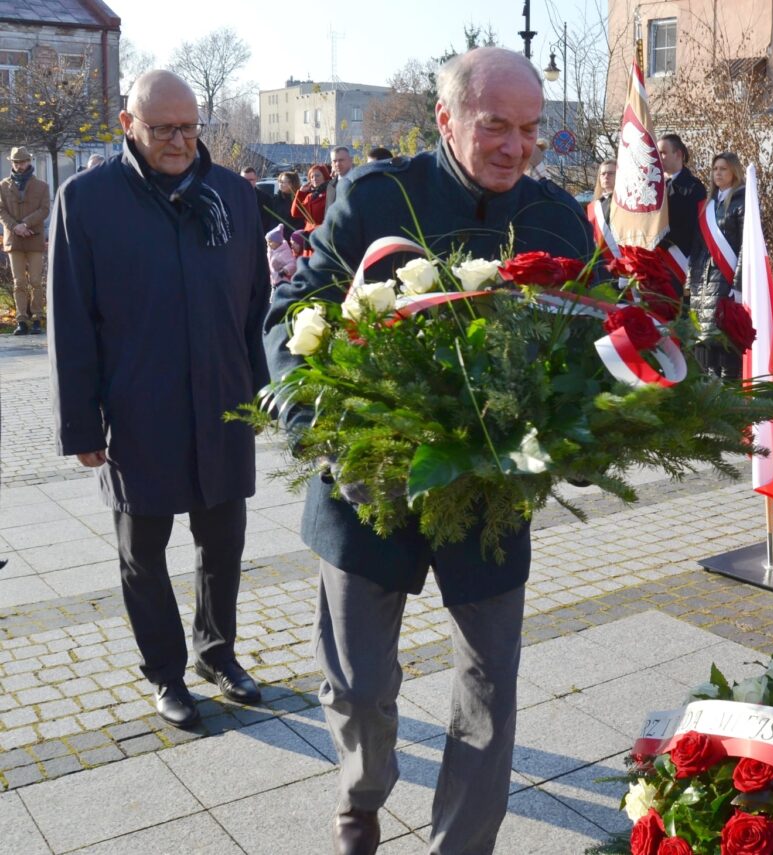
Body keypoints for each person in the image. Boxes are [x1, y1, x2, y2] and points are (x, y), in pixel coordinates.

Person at [265, 47, 592, 855]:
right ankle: (360, 799)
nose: (516, 146)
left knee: (489, 693)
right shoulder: (378, 198)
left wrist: (589, 420)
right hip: (369, 479)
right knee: (360, 687)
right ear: (446, 120)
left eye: (530, 129)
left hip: (486, 488)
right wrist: (322, 429)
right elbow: (292, 309)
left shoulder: (557, 216)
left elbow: (591, 342)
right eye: (495, 126)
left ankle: (461, 845)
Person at [48, 70, 270, 728]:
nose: (179, 141)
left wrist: (261, 394)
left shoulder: (232, 194)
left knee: (223, 539)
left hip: (224, 398)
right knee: (142, 549)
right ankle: (166, 673)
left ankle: (217, 651)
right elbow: (71, 321)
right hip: (138, 408)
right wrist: (80, 421)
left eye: (190, 127)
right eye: (163, 128)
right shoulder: (86, 201)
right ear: (127, 125)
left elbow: (257, 303)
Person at [688, 151, 745, 380]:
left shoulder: (742, 202)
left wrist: (739, 286)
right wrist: (689, 283)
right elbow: (696, 247)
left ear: (734, 172)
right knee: (705, 344)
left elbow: (745, 247)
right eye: (715, 169)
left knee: (725, 346)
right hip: (702, 283)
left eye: (723, 169)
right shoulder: (708, 205)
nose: (718, 173)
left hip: (726, 280)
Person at [1, 146, 51, 336]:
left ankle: (37, 317)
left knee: (36, 281)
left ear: (29, 161)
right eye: (16, 162)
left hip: (34, 237)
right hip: (14, 239)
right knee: (19, 282)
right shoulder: (3, 185)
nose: (20, 165)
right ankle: (21, 320)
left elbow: (44, 209)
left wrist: (25, 223)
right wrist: (15, 226)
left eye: (22, 161)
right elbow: (1, 210)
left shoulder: (42, 186)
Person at [657, 133, 707, 288]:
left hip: (679, 260)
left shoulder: (693, 188)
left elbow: (691, 227)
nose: (659, 157)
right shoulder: (654, 186)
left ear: (678, 154)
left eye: (663, 153)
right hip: (655, 260)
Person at [586, 158, 618, 260]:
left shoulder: (627, 203)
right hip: (598, 261)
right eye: (603, 174)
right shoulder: (593, 206)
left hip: (620, 258)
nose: (606, 176)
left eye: (611, 173)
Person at [292, 163, 331, 239]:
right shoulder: (310, 196)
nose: (314, 179)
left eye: (317, 175)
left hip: (322, 236)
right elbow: (295, 213)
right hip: (308, 235)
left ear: (325, 176)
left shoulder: (330, 194)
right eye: (312, 177)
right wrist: (301, 193)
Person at [241, 165, 277, 235]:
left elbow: (269, 221)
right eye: (244, 180)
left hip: (259, 237)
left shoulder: (265, 198)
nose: (247, 182)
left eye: (251, 180)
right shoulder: (234, 197)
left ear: (256, 179)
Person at [271, 170, 306, 236]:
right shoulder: (276, 199)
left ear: (292, 183)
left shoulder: (300, 199)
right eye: (279, 181)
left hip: (295, 237)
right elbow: (272, 220)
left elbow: (301, 221)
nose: (280, 184)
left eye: (283, 182)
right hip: (278, 237)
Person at [266, 223, 296, 288]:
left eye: (270, 241)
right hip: (274, 281)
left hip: (283, 281)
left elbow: (292, 264)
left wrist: (285, 270)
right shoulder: (272, 251)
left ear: (278, 242)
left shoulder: (284, 252)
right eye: (267, 242)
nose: (268, 244)